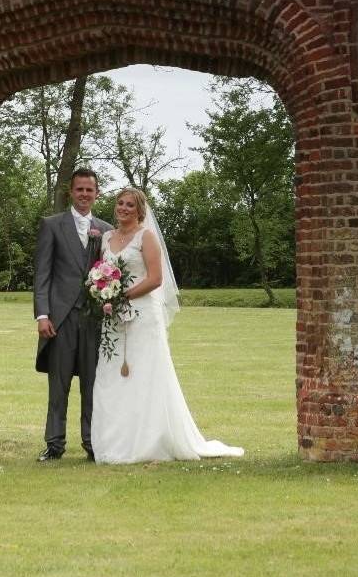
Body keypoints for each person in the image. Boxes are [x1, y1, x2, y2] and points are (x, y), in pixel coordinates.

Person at [91, 188, 244, 464]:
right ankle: (114, 442)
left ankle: (148, 442)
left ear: (140, 211)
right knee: (112, 376)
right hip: (113, 318)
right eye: (120, 203)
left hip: (142, 316)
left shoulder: (146, 237)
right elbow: (102, 273)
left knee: (145, 376)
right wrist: (104, 295)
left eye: (129, 205)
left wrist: (121, 296)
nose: (123, 208)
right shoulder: (106, 238)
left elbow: (155, 279)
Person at [33, 169, 113, 462]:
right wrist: (42, 315)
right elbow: (42, 274)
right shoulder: (52, 225)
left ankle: (93, 444)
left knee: (93, 385)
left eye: (89, 190)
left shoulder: (106, 229)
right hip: (60, 318)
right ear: (71, 191)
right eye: (79, 189)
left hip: (94, 318)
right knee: (59, 385)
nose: (84, 195)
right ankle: (54, 445)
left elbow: (110, 274)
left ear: (97, 193)